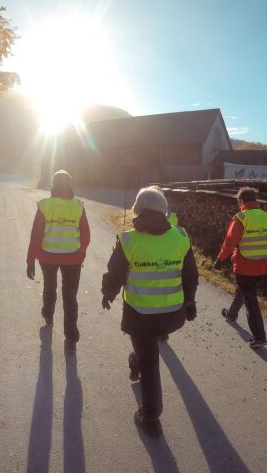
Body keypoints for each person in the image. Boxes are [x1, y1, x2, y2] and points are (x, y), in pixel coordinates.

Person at [101, 186, 198, 437]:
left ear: (138, 209)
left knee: (149, 360)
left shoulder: (129, 240)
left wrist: (107, 294)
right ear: (164, 210)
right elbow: (190, 276)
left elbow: (115, 275)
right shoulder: (181, 236)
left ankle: (151, 415)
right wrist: (190, 302)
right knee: (147, 350)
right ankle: (135, 362)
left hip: (140, 315)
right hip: (171, 315)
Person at [26, 170, 90, 351]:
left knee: (49, 285)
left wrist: (30, 261)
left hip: (48, 256)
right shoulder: (78, 205)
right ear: (70, 184)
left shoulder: (45, 205)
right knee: (70, 297)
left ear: (53, 184)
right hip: (73, 258)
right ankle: (71, 338)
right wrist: (80, 252)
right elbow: (86, 235)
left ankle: (48, 314)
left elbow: (35, 236)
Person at [213, 186, 267, 348]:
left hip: (246, 265)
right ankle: (231, 315)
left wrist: (219, 259)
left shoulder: (241, 217)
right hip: (264, 265)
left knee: (249, 297)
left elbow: (230, 242)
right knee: (244, 289)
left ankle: (259, 336)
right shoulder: (266, 217)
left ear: (241, 201)